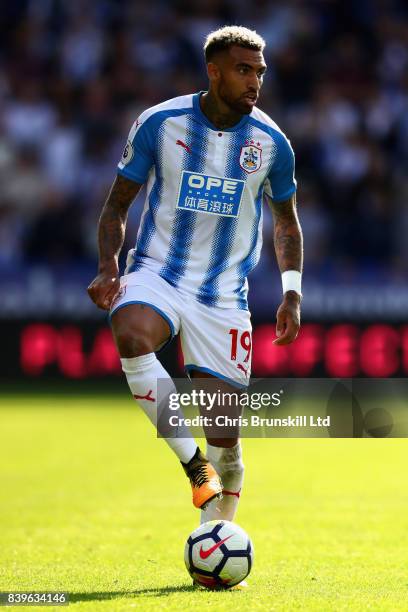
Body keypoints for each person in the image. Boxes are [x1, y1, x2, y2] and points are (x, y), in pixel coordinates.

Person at [88, 25, 303, 528]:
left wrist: (291, 294)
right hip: (158, 272)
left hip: (224, 295)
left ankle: (217, 521)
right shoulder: (160, 124)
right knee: (133, 333)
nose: (254, 82)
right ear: (214, 71)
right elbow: (118, 204)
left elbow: (287, 222)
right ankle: (193, 465)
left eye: (260, 73)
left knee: (225, 434)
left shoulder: (271, 143)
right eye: (243, 70)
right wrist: (108, 266)